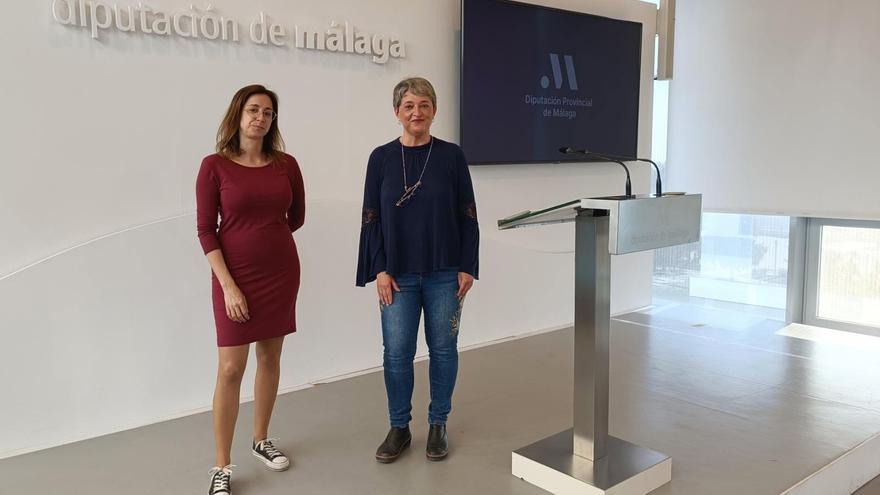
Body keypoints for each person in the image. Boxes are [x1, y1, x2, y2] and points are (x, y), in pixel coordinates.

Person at [356, 77, 480, 463]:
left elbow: (468, 211)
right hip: (396, 275)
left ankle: (438, 424)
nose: (417, 112)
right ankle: (399, 427)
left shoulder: (452, 156)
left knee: (443, 350)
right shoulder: (380, 158)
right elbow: (370, 217)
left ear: (434, 111)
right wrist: (378, 269)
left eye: (424, 105)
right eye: (409, 106)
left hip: (446, 273)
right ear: (397, 112)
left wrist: (468, 266)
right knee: (396, 354)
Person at [196, 84, 305, 495]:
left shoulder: (286, 164)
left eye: (268, 112)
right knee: (230, 369)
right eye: (253, 110)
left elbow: (296, 216)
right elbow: (206, 230)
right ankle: (221, 465)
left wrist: (266, 240)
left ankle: (261, 440)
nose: (260, 117)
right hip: (233, 278)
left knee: (270, 357)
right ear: (238, 115)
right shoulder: (214, 166)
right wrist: (229, 286)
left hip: (280, 272)